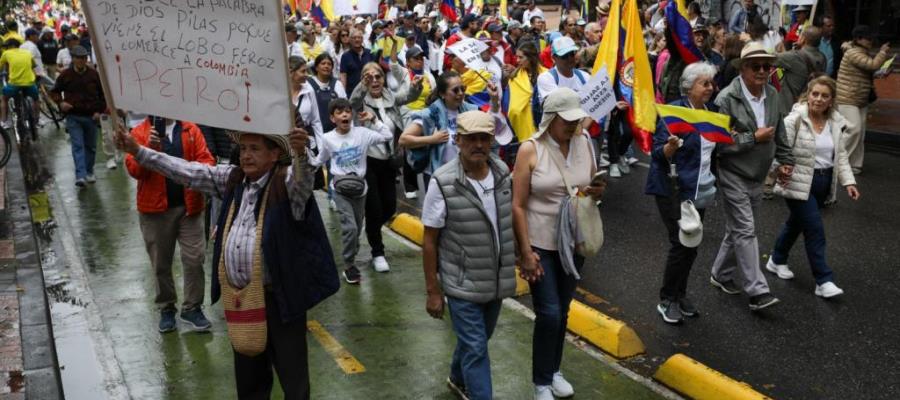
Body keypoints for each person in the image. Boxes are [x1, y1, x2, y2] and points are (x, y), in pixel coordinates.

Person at [116, 122, 339, 400]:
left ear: (273, 155)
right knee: (249, 382)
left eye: (255, 149)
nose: (246, 155)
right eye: (243, 148)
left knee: (294, 382)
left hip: (281, 301)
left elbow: (303, 181)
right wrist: (139, 151)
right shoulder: (232, 180)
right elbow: (187, 171)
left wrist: (300, 154)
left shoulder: (286, 183)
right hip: (241, 300)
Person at [512, 88, 604, 400]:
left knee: (563, 311)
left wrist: (596, 191)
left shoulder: (584, 142)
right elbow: (518, 205)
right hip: (540, 244)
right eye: (565, 121)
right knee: (549, 312)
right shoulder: (530, 149)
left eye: (575, 120)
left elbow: (588, 187)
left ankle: (554, 371)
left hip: (573, 242)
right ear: (550, 119)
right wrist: (524, 252)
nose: (571, 126)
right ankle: (541, 382)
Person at [421, 110, 516, 400]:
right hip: (460, 283)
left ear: (492, 142)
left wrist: (524, 255)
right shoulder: (443, 182)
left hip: (495, 280)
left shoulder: (501, 173)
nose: (478, 145)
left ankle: (456, 377)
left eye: (484, 139)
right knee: (476, 348)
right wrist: (433, 291)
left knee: (476, 340)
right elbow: (429, 241)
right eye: (471, 139)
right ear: (458, 140)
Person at [709, 42, 792, 311]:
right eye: (755, 66)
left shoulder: (773, 94)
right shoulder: (725, 98)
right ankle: (758, 291)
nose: (762, 71)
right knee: (746, 230)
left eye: (767, 66)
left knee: (738, 229)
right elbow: (720, 144)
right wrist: (752, 138)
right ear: (743, 68)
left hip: (758, 174)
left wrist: (786, 162)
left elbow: (779, 133)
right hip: (733, 173)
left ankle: (719, 274)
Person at [769, 76, 859, 298]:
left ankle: (776, 259)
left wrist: (849, 182)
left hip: (823, 182)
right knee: (815, 229)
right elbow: (780, 149)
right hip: (798, 182)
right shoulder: (794, 120)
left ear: (831, 100)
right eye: (815, 94)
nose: (819, 99)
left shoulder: (835, 123)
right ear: (807, 95)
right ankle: (823, 280)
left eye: (825, 96)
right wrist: (779, 169)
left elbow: (841, 155)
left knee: (796, 224)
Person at [125, 117, 216, 332]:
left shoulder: (190, 129)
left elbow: (207, 160)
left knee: (195, 258)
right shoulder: (139, 133)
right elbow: (134, 171)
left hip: (190, 207)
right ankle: (166, 307)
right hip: (155, 211)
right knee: (161, 264)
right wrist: (148, 149)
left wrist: (196, 172)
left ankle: (192, 307)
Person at [645, 62, 719, 324]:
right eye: (704, 83)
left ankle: (680, 293)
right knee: (680, 243)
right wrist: (668, 149)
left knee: (693, 244)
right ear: (689, 87)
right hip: (673, 189)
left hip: (701, 189)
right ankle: (667, 299)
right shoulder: (674, 113)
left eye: (711, 83)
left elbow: (715, 152)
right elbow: (656, 153)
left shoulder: (713, 113)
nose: (710, 88)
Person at [308, 98, 393, 284]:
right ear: (332, 118)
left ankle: (351, 255)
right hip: (340, 190)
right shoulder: (328, 138)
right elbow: (319, 160)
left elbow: (387, 135)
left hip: (360, 189)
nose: (345, 114)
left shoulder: (362, 133)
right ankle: (348, 266)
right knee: (351, 228)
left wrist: (374, 120)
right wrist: (305, 154)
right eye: (339, 112)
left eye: (347, 111)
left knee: (357, 228)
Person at [350, 61, 422, 273]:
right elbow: (351, 101)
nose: (374, 80)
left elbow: (409, 97)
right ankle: (378, 252)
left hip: (388, 161)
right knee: (375, 208)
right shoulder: (360, 101)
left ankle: (370, 229)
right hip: (368, 161)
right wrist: (362, 86)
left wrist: (416, 86)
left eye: (378, 76)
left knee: (389, 207)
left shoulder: (390, 97)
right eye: (368, 77)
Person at [399, 71, 512, 176]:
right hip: (438, 175)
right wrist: (432, 139)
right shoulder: (431, 114)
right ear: (442, 94)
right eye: (455, 90)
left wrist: (494, 99)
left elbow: (491, 124)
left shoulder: (470, 109)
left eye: (463, 89)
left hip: (466, 173)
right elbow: (403, 140)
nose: (461, 93)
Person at [835, 25, 891, 175]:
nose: (871, 41)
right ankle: (835, 161)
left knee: (861, 133)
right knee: (854, 129)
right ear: (858, 39)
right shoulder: (852, 52)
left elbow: (866, 70)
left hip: (860, 97)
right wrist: (883, 52)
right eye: (868, 38)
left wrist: (880, 73)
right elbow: (871, 65)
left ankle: (855, 164)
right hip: (848, 97)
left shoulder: (861, 52)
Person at [775, 26, 826, 114]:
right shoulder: (822, 57)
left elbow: (770, 59)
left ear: (803, 39)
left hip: (789, 107)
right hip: (807, 106)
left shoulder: (795, 56)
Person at [0, 38, 38, 129]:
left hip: (14, 84)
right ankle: (37, 119)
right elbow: (33, 66)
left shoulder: (6, 53)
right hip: (30, 83)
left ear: (10, 46)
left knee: (3, 98)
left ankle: (4, 121)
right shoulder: (27, 53)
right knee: (36, 99)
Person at [340, 29, 375, 95]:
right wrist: (343, 94)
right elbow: (343, 76)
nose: (357, 40)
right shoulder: (345, 56)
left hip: (369, 91)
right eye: (354, 38)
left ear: (362, 39)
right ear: (350, 40)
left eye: (359, 37)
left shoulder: (370, 53)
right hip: (353, 92)